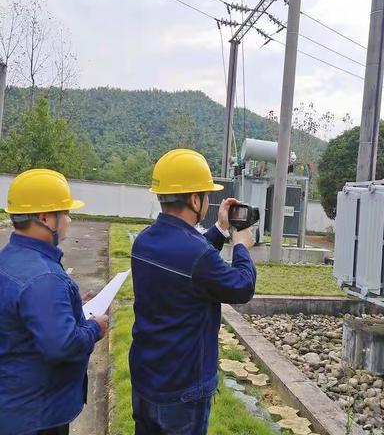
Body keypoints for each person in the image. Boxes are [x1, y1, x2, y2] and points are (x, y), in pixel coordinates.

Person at [130, 148, 257, 435]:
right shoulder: (197, 254)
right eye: (205, 194)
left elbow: (189, 264)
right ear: (193, 199)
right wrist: (240, 246)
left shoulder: (144, 242)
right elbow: (241, 287)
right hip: (183, 390)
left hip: (147, 379)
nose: (208, 200)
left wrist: (221, 229)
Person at [0, 169, 109, 435]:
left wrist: (71, 305)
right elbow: (62, 346)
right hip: (38, 416)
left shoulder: (10, 258)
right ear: (46, 217)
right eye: (66, 213)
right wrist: (95, 328)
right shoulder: (45, 277)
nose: (69, 220)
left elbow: (26, 316)